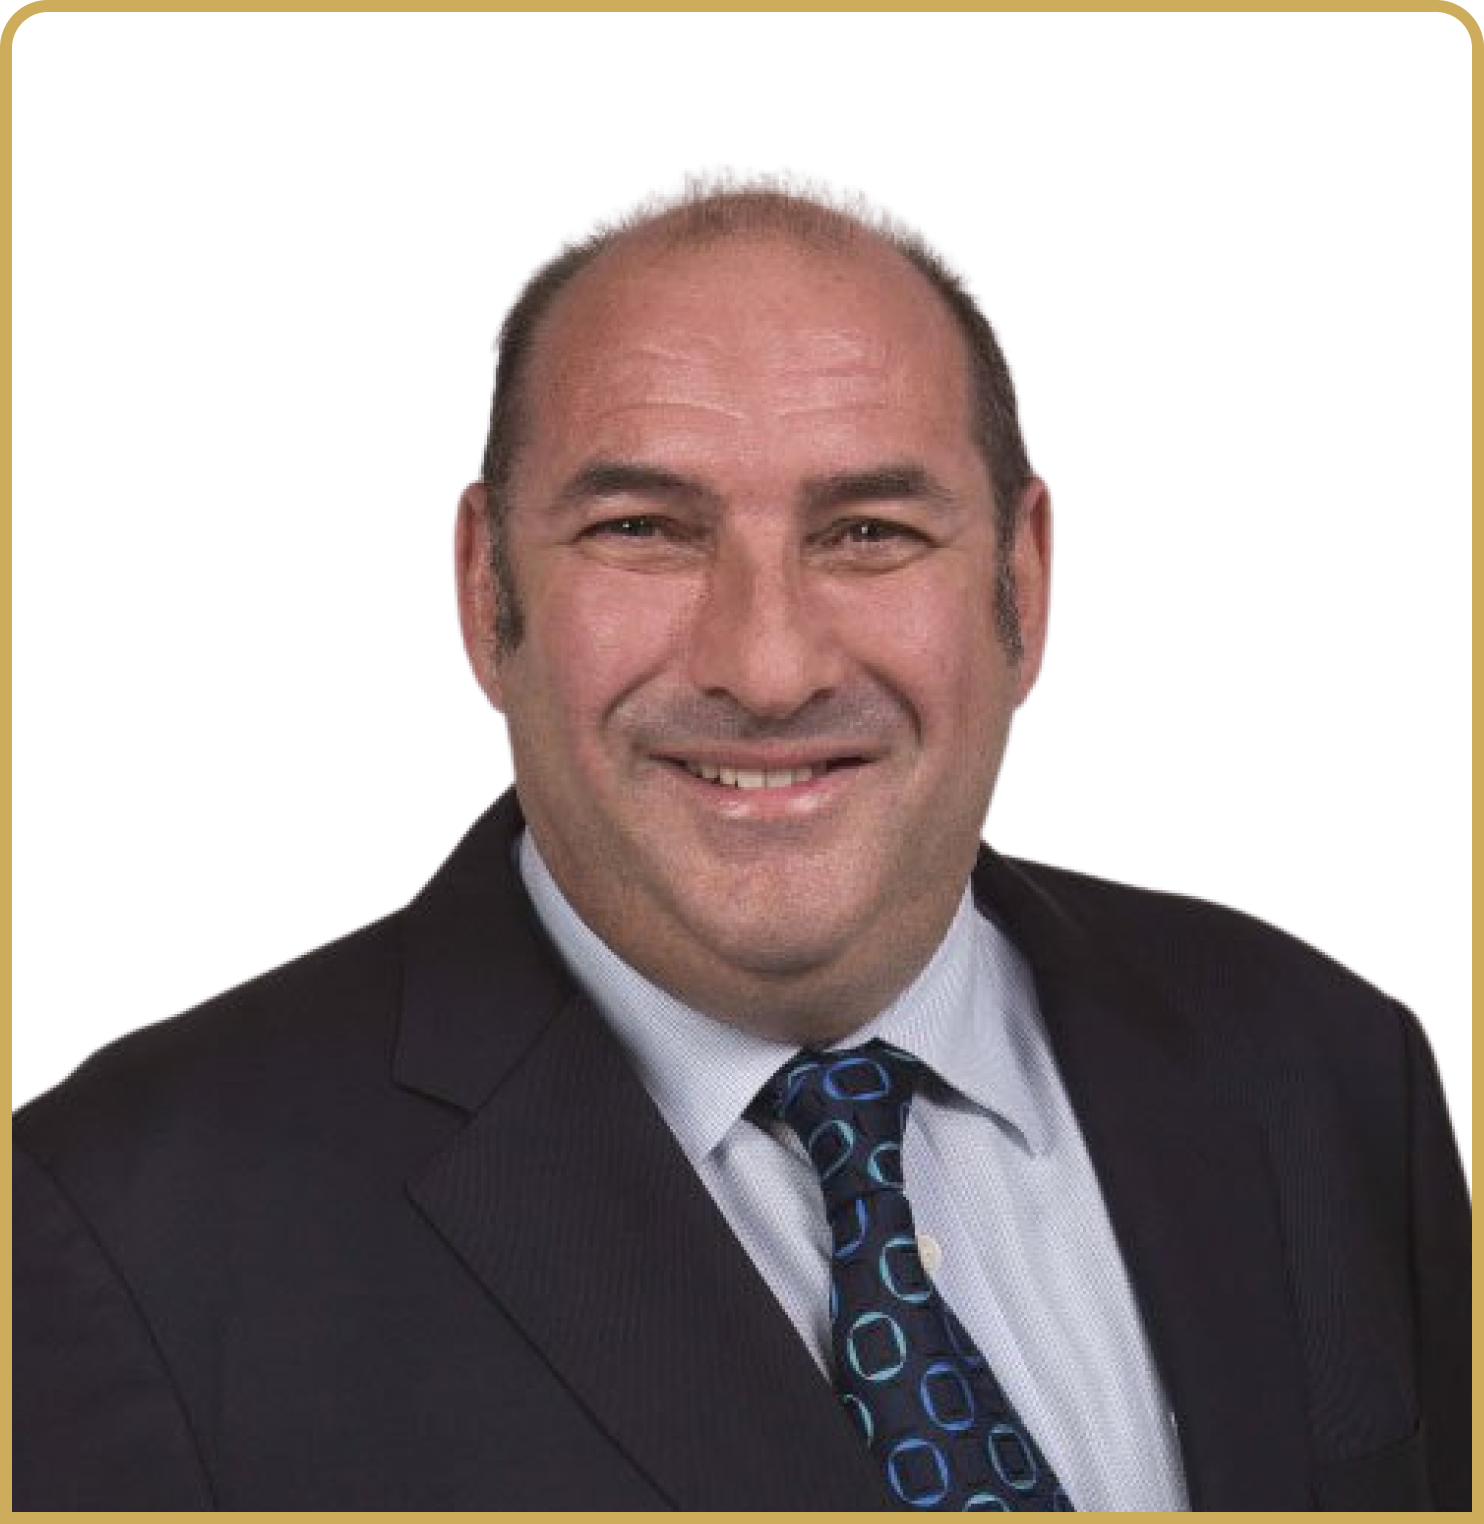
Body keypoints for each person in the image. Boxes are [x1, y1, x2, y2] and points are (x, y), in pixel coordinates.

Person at [14, 164, 1467, 1512]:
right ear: (483, 589)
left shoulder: (1331, 1064)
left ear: (1025, 582)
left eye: (870, 531)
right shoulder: (115, 1232)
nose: (768, 668)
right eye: (644, 529)